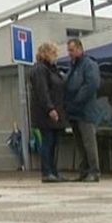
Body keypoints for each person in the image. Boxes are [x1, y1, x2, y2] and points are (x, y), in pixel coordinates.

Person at [65, 38, 101, 183]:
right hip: (74, 112)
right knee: (80, 144)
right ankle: (84, 171)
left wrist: (76, 100)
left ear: (80, 49)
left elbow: (91, 84)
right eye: (69, 51)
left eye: (72, 50)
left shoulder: (89, 65)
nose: (70, 53)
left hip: (85, 110)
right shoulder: (73, 67)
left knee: (89, 143)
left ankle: (94, 171)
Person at [30, 43, 67, 183]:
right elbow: (42, 91)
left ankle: (53, 171)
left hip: (55, 111)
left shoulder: (51, 69)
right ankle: (47, 172)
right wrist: (50, 108)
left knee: (53, 142)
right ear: (47, 53)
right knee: (48, 141)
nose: (56, 56)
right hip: (46, 113)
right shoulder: (40, 69)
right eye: (54, 53)